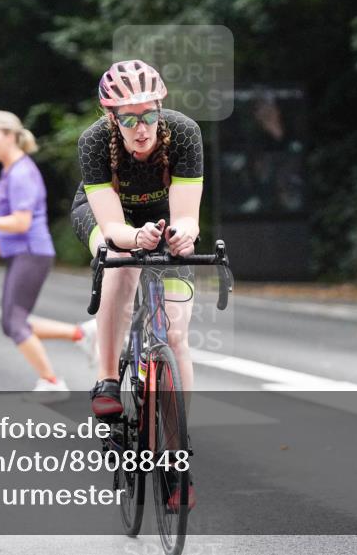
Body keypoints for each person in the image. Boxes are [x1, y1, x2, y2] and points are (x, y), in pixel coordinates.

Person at [72, 60, 202, 509]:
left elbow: (188, 214)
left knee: (178, 335)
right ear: (112, 118)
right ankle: (108, 380)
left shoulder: (183, 133)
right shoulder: (94, 141)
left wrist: (183, 233)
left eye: (148, 115)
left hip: (162, 219)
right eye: (129, 119)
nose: (141, 127)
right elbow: (111, 228)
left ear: (160, 110)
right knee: (122, 259)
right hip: (107, 217)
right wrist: (135, 238)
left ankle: (176, 456)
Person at [0, 111, 96, 402]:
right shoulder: (12, 171)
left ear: (9, 136)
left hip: (31, 252)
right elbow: (20, 221)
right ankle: (81, 335)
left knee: (15, 323)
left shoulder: (21, 172)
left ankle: (52, 381)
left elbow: (22, 221)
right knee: (13, 322)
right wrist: (2, 239)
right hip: (24, 251)